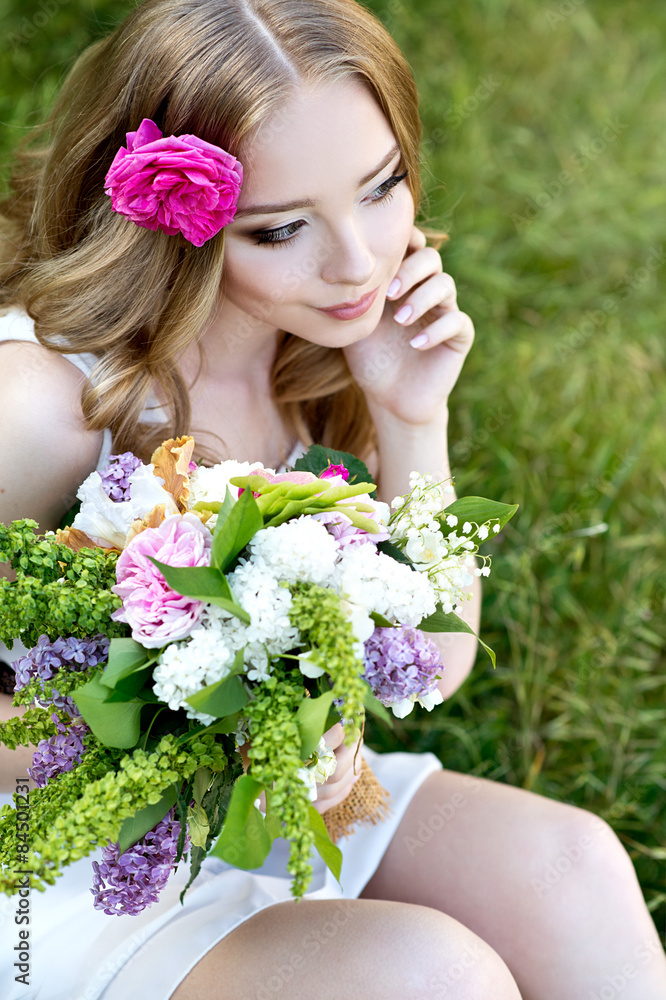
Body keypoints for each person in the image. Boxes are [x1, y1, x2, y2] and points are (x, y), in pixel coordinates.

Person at [0, 1, 664, 998]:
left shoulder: (319, 355)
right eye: (281, 229)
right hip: (49, 863)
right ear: (177, 217)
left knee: (570, 868)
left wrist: (410, 414)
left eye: (382, 184)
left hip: (255, 805)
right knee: (437, 975)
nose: (358, 262)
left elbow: (431, 665)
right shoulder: (47, 405)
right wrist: (182, 729)